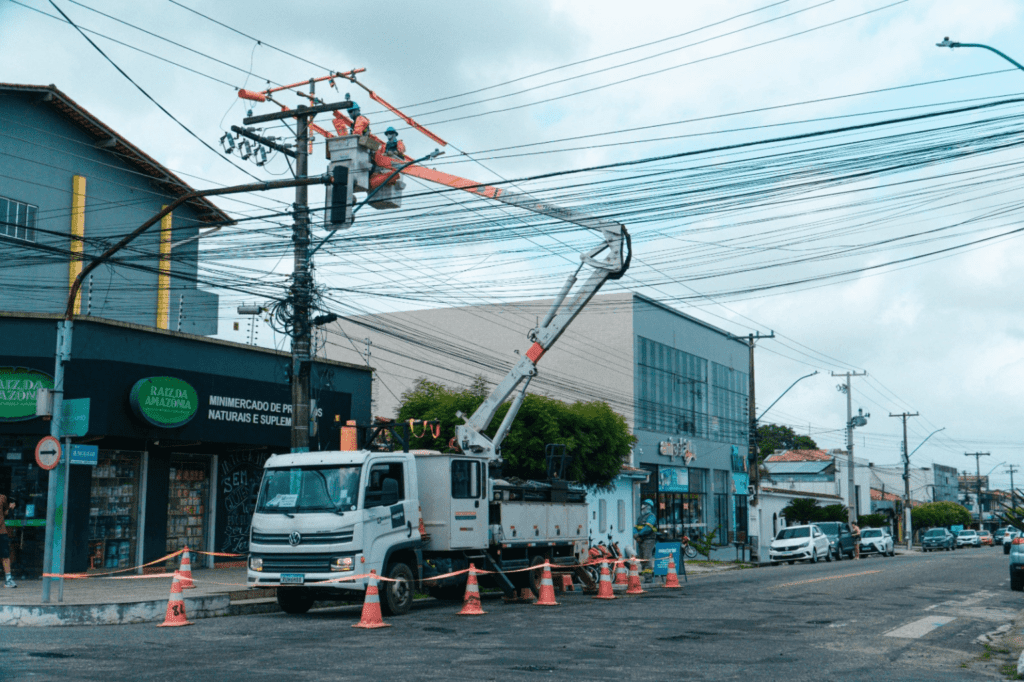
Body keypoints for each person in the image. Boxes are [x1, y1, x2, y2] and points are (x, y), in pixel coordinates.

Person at [633, 499, 657, 582]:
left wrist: (639, 534)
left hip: (649, 540)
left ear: (648, 506)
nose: (642, 506)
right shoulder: (640, 517)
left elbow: (647, 528)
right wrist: (635, 536)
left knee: (647, 558)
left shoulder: (651, 516)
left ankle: (648, 578)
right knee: (642, 558)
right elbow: (635, 528)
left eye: (644, 504)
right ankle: (645, 576)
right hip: (641, 540)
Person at [1, 491, 15, 587]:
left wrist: (9, 508)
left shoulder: (2, 498)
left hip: (1, 532)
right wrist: (10, 508)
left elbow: (4, 512)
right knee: (5, 556)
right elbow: (5, 512)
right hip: (1, 532)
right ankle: (8, 579)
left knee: (5, 555)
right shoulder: (2, 498)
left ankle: (9, 579)